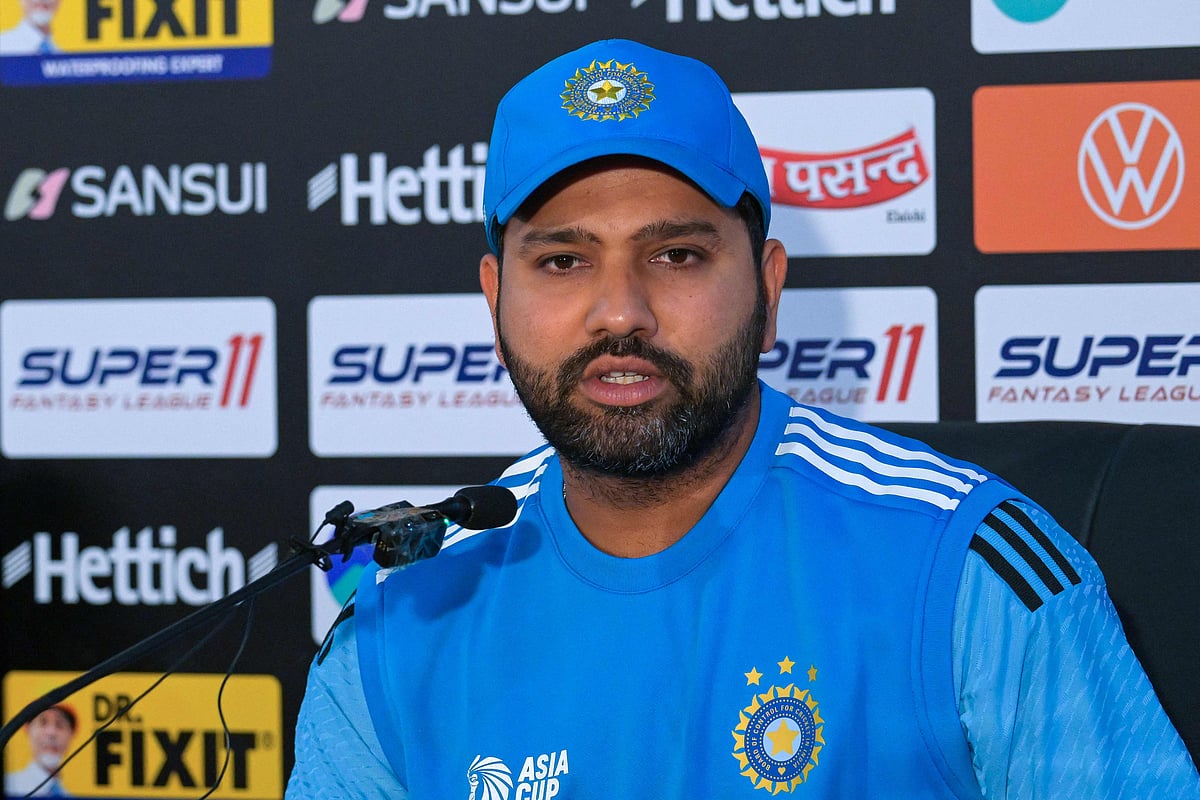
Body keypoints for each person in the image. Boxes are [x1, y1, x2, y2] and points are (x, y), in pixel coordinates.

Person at [286, 39, 1199, 798]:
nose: (619, 313)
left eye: (676, 254)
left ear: (767, 288)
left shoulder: (968, 571)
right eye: (563, 263)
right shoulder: (401, 615)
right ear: (495, 299)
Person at [4, 704, 76, 797]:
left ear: (71, 734)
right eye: (43, 722)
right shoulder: (8, 785)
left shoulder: (69, 795)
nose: (51, 733)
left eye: (60, 725)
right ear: (28, 729)